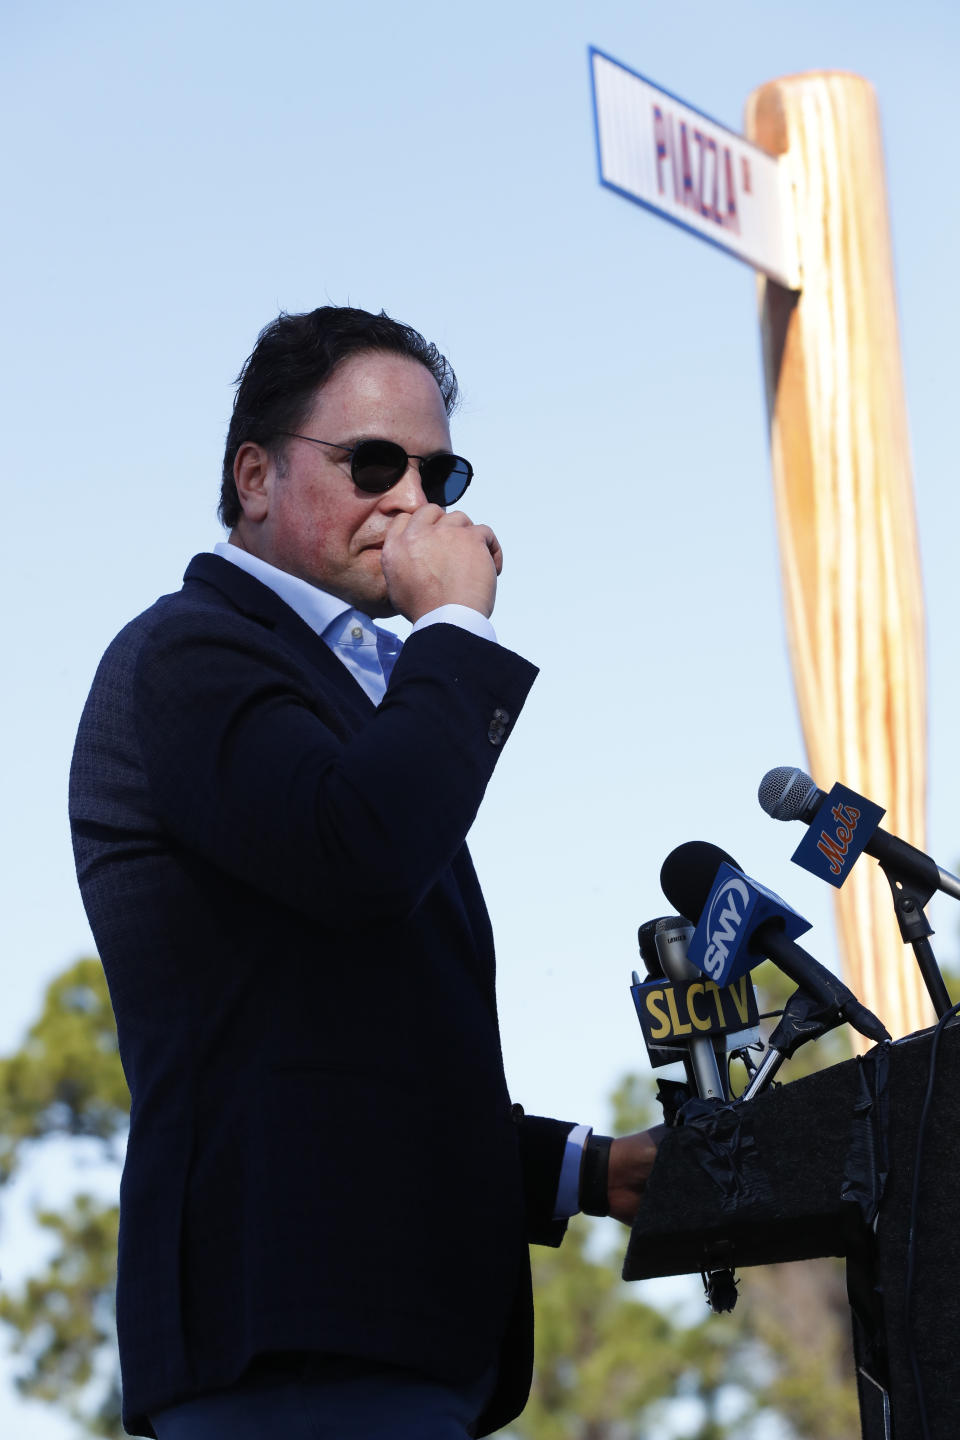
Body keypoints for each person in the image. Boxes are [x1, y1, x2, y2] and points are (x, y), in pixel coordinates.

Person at [69, 306, 661, 1440]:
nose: (413, 499)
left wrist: (585, 1169)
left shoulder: (351, 692)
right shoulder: (192, 651)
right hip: (293, 1346)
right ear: (255, 476)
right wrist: (457, 632)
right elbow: (364, 855)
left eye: (440, 470)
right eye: (374, 462)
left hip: (387, 1346)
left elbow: (350, 1041)